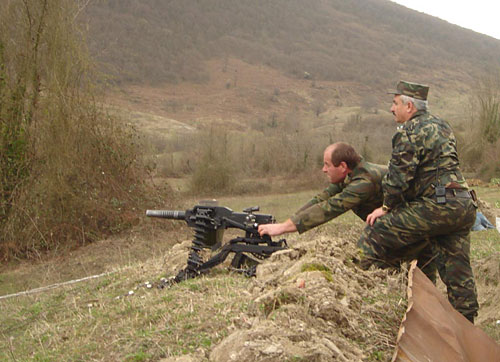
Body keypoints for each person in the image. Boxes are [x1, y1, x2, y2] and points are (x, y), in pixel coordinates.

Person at [357, 80, 479, 322]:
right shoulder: (442, 126)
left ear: (409, 106)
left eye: (394, 103)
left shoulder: (409, 131)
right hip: (463, 204)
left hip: (438, 206)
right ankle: (468, 330)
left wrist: (386, 207)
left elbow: (399, 177)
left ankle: (364, 298)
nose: (392, 109)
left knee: (376, 232)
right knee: (458, 271)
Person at [257, 142, 437, 280]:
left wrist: (283, 229)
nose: (323, 169)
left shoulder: (364, 181)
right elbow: (321, 199)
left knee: (373, 257)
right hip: (406, 228)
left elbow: (331, 207)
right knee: (408, 276)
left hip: (421, 227)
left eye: (327, 164)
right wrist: (287, 222)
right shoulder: (352, 175)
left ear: (342, 166)